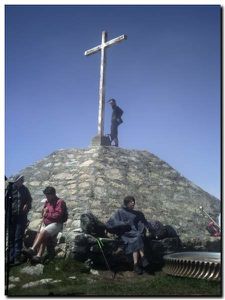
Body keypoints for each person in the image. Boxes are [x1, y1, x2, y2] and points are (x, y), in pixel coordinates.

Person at [106, 196, 150, 275]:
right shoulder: (120, 211)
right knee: (137, 237)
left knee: (137, 238)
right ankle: (143, 258)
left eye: (133, 201)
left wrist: (144, 228)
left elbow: (142, 223)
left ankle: (136, 265)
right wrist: (124, 224)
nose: (133, 203)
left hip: (134, 233)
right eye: (130, 201)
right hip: (125, 233)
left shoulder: (136, 213)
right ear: (126, 203)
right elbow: (111, 223)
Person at [22, 186, 67, 264]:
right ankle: (38, 256)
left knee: (43, 232)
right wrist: (43, 212)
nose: (46, 197)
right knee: (41, 234)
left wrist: (46, 214)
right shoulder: (47, 202)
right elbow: (43, 213)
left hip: (57, 224)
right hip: (47, 223)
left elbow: (58, 215)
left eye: (48, 195)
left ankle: (32, 250)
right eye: (46, 195)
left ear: (53, 194)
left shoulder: (60, 202)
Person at [6, 175, 32, 266]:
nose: (22, 181)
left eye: (23, 180)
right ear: (16, 180)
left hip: (21, 217)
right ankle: (10, 258)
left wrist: (27, 205)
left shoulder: (25, 189)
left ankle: (16, 258)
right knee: (11, 238)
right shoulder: (9, 189)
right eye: (21, 180)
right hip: (11, 216)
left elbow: (29, 200)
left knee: (18, 237)